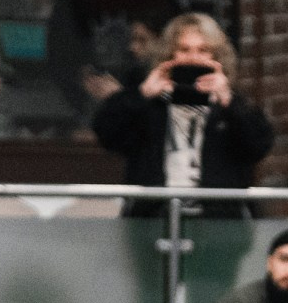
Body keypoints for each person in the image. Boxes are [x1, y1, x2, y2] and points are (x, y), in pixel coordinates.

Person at [92, 13, 273, 218]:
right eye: (184, 50)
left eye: (203, 50)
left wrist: (229, 102)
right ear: (170, 55)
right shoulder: (151, 106)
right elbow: (106, 133)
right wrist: (142, 94)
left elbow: (259, 146)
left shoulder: (229, 107)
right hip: (154, 220)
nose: (193, 58)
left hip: (218, 223)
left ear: (217, 58)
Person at [45, 0, 180, 121]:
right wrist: (81, 81)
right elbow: (59, 59)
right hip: (88, 115)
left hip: (149, 114)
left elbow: (178, 57)